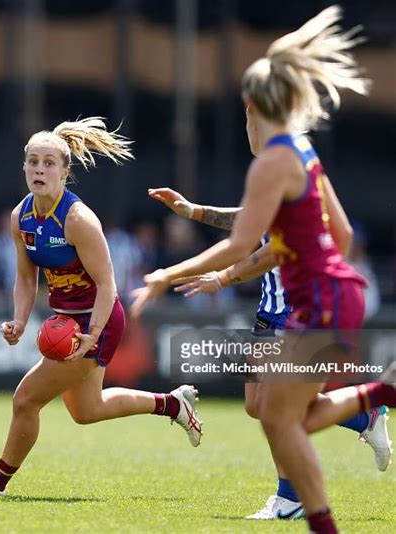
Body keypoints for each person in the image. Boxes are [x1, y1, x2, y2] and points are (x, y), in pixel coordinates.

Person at [130, 7, 396, 533]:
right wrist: (203, 216)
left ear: (252, 108)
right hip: (328, 295)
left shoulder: (272, 160)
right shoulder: (300, 151)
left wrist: (167, 274)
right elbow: (337, 234)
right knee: (276, 414)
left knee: (279, 416)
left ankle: (376, 404)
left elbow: (241, 243)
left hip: (317, 299)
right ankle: (373, 401)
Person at [0, 117, 202, 498]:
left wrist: (93, 336)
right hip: (67, 319)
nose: (39, 169)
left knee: (25, 398)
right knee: (87, 410)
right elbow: (25, 278)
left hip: (97, 319)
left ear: (65, 172)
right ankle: (172, 404)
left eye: (49, 162)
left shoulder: (78, 220)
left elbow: (108, 285)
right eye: (33, 161)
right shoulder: (20, 217)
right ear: (24, 167)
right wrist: (19, 320)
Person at [147, 187, 392, 519]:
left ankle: (290, 500)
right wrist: (195, 211)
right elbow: (252, 219)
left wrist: (222, 278)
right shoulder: (276, 167)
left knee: (276, 410)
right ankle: (365, 415)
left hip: (295, 309)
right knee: (257, 406)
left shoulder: (287, 166)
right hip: (270, 310)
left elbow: (272, 251)